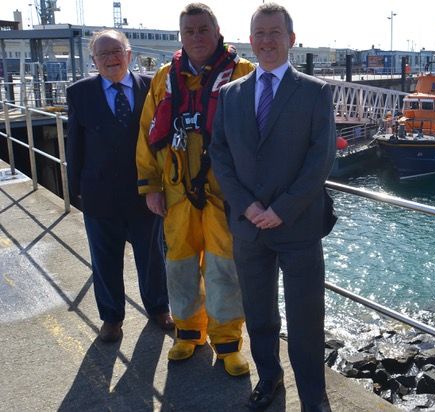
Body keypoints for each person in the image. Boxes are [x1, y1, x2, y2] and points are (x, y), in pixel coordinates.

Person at [211, 3, 337, 410]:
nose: (267, 41)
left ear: (291, 40)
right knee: (259, 313)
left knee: (305, 320)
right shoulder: (230, 96)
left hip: (298, 226)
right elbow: (220, 156)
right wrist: (247, 206)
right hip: (248, 227)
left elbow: (320, 161)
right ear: (251, 41)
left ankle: (313, 397)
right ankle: (270, 379)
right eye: (259, 34)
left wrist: (282, 208)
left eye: (275, 33)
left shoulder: (315, 93)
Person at [136, 3, 253, 376]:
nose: (197, 37)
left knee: (224, 268)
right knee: (180, 266)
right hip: (175, 193)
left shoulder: (243, 74)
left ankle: (228, 343)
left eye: (203, 30)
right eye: (189, 31)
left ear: (218, 32)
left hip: (223, 193)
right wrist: (150, 186)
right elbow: (145, 135)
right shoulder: (164, 78)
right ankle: (188, 333)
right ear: (180, 36)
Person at [66, 29, 173, 343]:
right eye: (104, 54)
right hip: (99, 192)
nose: (111, 59)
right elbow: (75, 145)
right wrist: (76, 190)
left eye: (117, 51)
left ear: (129, 55)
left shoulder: (151, 87)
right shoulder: (79, 93)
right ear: (94, 60)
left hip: (145, 191)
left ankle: (158, 307)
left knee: (153, 256)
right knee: (105, 259)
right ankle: (111, 318)